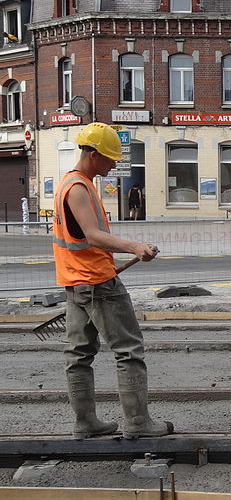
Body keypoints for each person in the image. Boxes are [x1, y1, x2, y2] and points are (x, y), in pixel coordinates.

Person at [52, 122, 173, 439]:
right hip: (98, 285)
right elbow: (92, 236)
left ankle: (85, 423)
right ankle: (137, 422)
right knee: (129, 350)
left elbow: (81, 240)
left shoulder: (71, 184)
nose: (113, 164)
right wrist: (134, 247)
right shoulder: (78, 189)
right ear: (92, 154)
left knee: (79, 355)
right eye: (109, 158)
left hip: (77, 284)